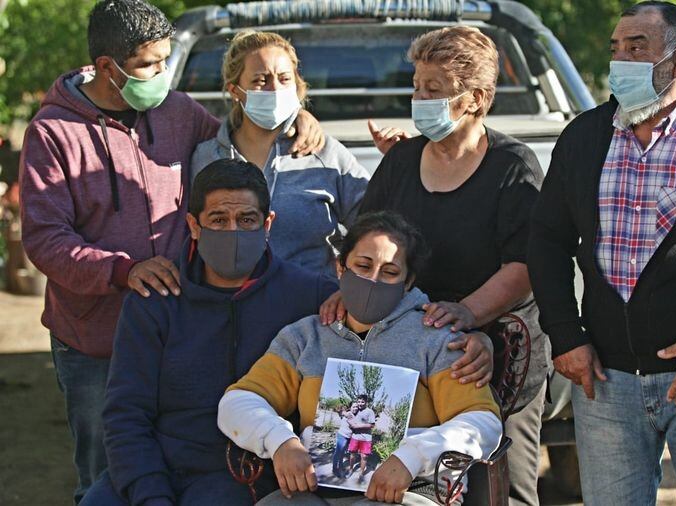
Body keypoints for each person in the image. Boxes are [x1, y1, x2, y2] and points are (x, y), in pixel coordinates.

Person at [18, 1, 325, 502]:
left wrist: (296, 116)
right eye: (148, 65)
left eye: (166, 61)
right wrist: (123, 271)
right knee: (105, 468)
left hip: (184, 320)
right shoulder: (53, 134)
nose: (162, 75)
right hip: (95, 335)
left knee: (191, 447)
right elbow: (45, 239)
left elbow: (239, 141)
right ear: (105, 68)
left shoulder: (178, 112)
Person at [527, 2, 676, 505]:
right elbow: (546, 240)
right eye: (616, 49)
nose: (620, 62)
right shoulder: (585, 137)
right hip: (606, 381)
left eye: (637, 48)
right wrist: (566, 336)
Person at [320, 26, 550, 506]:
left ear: (476, 99)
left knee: (501, 488)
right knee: (395, 484)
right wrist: (349, 289)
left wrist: (467, 313)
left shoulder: (513, 165)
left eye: (434, 90)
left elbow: (527, 262)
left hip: (494, 356)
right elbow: (367, 240)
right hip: (406, 357)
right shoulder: (402, 160)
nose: (419, 98)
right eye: (417, 86)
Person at [80, 159, 336, 506]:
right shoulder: (155, 300)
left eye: (246, 220)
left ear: (268, 224)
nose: (233, 231)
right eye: (218, 220)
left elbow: (382, 312)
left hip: (244, 474)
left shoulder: (311, 295)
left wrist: (430, 310)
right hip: (155, 465)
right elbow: (126, 414)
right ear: (194, 226)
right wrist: (150, 493)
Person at [218, 211, 502, 505]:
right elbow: (238, 402)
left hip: (411, 491)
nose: (373, 280)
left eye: (390, 272)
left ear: (408, 281)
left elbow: (482, 422)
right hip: (316, 490)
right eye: (363, 266)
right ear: (340, 267)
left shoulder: (437, 339)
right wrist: (280, 442)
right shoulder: (305, 338)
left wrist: (412, 457)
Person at [192, 30, 369, 278]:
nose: (274, 89)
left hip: (313, 308)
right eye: (260, 80)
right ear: (235, 90)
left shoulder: (324, 152)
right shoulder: (206, 157)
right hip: (230, 309)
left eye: (284, 78)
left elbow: (373, 227)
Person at [346, 394, 376, 481]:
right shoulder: (355, 409)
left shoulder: (370, 412)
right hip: (355, 437)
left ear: (366, 402)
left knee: (364, 457)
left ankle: (361, 474)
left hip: (366, 438)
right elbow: (346, 413)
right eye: (359, 401)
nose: (360, 404)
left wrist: (358, 426)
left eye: (362, 402)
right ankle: (351, 470)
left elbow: (372, 425)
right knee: (352, 455)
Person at [333, 403, 358, 478]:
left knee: (342, 453)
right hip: (342, 435)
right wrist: (344, 412)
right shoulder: (349, 414)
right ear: (350, 408)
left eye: (356, 407)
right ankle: (334, 469)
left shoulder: (355, 415)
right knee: (338, 452)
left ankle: (340, 465)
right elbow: (340, 411)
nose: (355, 408)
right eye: (354, 407)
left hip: (348, 437)